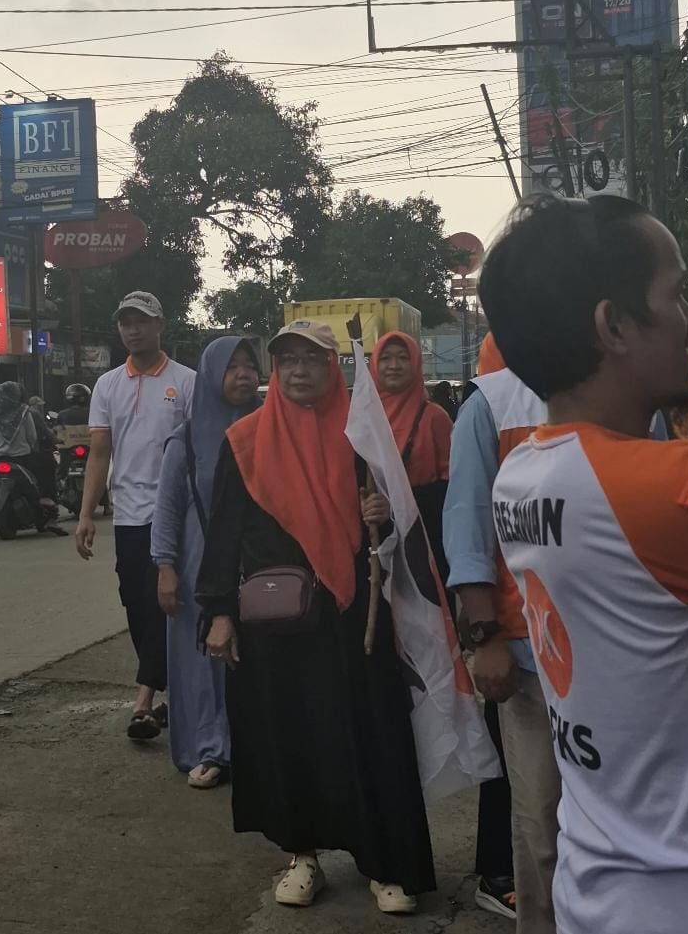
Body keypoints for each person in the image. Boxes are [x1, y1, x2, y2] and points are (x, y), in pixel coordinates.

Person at [481, 193, 688, 934]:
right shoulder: (668, 494)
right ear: (614, 325)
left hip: (597, 875)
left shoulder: (523, 473)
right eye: (675, 291)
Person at [196, 320, 434, 916]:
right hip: (276, 623)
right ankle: (302, 857)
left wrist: (379, 505)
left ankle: (385, 863)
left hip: (356, 617)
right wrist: (218, 613)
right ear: (277, 373)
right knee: (290, 738)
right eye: (290, 361)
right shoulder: (244, 440)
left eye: (313, 360)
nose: (300, 371)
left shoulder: (361, 438)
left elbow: (405, 523)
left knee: (369, 734)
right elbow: (222, 535)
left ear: (335, 370)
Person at [443, 331, 551, 929]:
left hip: (622, 655)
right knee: (542, 824)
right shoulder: (492, 403)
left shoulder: (633, 391)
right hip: (529, 656)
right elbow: (467, 523)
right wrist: (485, 638)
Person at [76, 291, 195, 741]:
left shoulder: (186, 382)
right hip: (127, 515)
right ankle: (168, 692)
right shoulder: (107, 386)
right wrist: (86, 514)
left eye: (141, 321)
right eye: (125, 322)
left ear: (160, 324)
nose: (133, 330)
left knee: (166, 601)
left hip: (175, 514)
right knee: (137, 604)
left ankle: (145, 698)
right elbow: (100, 453)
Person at [151, 337, 260, 788]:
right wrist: (166, 567)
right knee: (203, 661)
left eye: (250, 366)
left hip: (258, 560)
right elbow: (168, 508)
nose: (243, 375)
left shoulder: (270, 428)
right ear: (211, 375)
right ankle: (210, 748)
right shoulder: (189, 438)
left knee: (254, 656)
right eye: (231, 367)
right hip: (200, 564)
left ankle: (253, 747)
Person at [370, 331, 454, 593]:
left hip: (424, 541)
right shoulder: (363, 417)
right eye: (385, 358)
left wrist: (399, 505)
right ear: (374, 364)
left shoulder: (434, 418)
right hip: (374, 539)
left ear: (416, 364)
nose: (394, 366)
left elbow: (452, 488)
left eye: (403, 358)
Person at [0, 381, 66, 536]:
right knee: (48, 468)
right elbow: (32, 437)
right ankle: (50, 509)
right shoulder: (25, 412)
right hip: (23, 457)